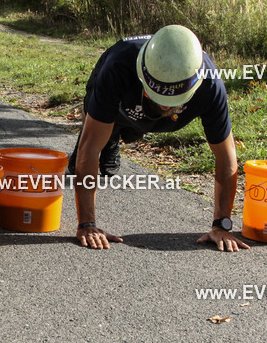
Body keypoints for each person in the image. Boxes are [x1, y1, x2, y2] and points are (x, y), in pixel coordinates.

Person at [68, 25, 250, 252]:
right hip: (121, 97)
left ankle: (117, 135)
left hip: (146, 115)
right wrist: (87, 224)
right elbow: (90, 147)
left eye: (173, 100)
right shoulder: (118, 67)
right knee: (95, 136)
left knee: (136, 128)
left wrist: (222, 225)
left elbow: (226, 157)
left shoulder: (211, 85)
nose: (165, 104)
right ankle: (111, 136)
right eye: (159, 96)